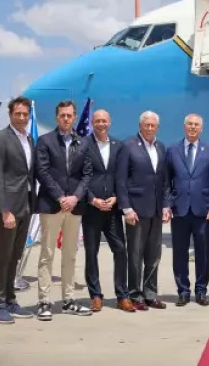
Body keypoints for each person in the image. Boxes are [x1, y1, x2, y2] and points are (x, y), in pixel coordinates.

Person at [35, 100, 94, 320]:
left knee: (70, 254)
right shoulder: (45, 141)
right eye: (62, 115)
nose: (66, 119)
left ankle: (68, 300)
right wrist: (61, 197)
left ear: (74, 117)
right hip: (52, 205)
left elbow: (87, 174)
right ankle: (44, 301)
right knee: (47, 254)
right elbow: (42, 172)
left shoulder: (84, 142)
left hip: (74, 207)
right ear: (56, 117)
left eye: (69, 115)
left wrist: (75, 197)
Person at [0, 96, 38, 324]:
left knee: (15, 255)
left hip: (25, 205)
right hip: (8, 207)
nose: (22, 117)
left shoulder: (29, 139)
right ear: (10, 115)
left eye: (25, 114)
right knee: (3, 256)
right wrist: (4, 210)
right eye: (18, 114)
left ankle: (10, 299)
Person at [80, 109, 133, 312]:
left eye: (104, 121)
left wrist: (117, 197)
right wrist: (92, 199)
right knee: (91, 253)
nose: (101, 124)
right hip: (91, 209)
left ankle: (122, 295)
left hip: (112, 209)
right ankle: (95, 295)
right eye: (97, 121)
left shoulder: (118, 146)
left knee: (120, 250)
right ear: (92, 123)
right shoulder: (84, 144)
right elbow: (79, 176)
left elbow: (123, 176)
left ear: (110, 123)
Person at [117, 110, 171, 310]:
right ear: (140, 126)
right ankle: (135, 295)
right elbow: (121, 180)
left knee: (153, 255)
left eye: (152, 125)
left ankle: (150, 294)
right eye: (146, 125)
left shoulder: (161, 147)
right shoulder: (128, 146)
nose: (149, 128)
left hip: (156, 210)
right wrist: (126, 208)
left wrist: (166, 205)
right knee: (135, 254)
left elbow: (164, 181)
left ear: (157, 127)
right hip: (136, 210)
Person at [165, 113, 209, 306]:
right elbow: (166, 181)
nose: (193, 127)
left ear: (201, 129)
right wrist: (167, 204)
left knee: (203, 252)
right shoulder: (172, 150)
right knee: (180, 253)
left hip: (203, 210)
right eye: (190, 124)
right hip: (179, 210)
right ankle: (183, 291)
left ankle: (201, 290)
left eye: (196, 125)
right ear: (184, 126)